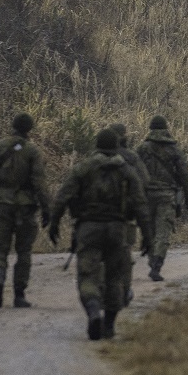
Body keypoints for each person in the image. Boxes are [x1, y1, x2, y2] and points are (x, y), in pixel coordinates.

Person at [47, 128, 151, 341]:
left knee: (87, 275)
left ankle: (94, 312)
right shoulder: (126, 171)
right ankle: (110, 324)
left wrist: (54, 223)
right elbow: (140, 204)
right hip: (117, 229)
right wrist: (148, 234)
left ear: (97, 144)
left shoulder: (83, 168)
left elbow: (63, 196)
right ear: (117, 145)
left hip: (88, 228)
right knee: (115, 277)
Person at [0, 112, 50, 308]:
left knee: (0, 248)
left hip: (2, 204)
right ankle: (19, 294)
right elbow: (39, 183)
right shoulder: (33, 151)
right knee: (24, 251)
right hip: (25, 207)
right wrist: (47, 209)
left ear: (13, 125)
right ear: (30, 129)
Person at [135, 115, 188, 281]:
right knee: (163, 231)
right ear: (165, 128)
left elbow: (133, 173)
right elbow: (184, 175)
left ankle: (151, 259)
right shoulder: (173, 150)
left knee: (150, 231)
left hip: (146, 196)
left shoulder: (142, 149)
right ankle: (156, 264)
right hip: (167, 195)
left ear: (151, 128)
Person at [110, 122, 152, 301]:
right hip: (124, 215)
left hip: (95, 216)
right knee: (125, 253)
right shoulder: (131, 158)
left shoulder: (93, 158)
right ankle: (125, 290)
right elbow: (144, 182)